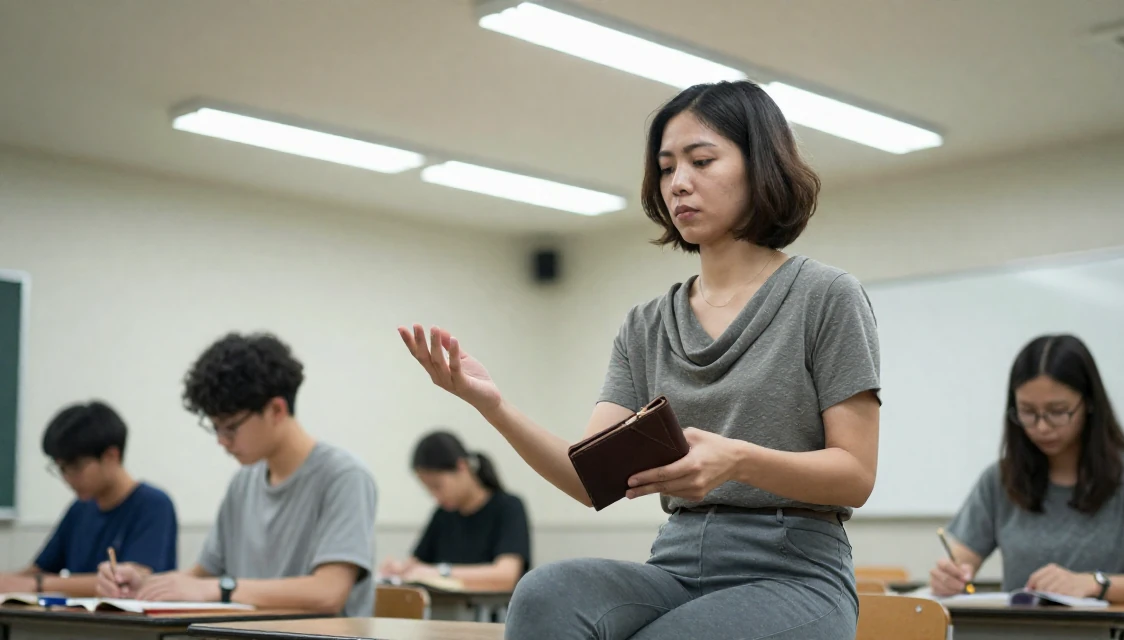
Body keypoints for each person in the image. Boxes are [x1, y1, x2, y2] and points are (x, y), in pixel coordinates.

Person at [398, 80, 880, 640]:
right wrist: (494, 406)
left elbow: (856, 476)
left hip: (796, 572)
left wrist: (737, 461)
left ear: (760, 165)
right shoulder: (646, 324)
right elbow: (589, 479)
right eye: (667, 167)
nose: (679, 183)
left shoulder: (826, 296)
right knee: (544, 594)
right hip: (675, 566)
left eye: (702, 160)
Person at [96, 332, 379, 616]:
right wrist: (145, 585)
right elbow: (202, 577)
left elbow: (328, 592)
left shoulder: (344, 477)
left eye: (230, 427)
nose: (222, 440)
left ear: (276, 410)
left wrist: (223, 588)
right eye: (215, 428)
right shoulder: (244, 482)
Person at [931, 334, 1124, 604]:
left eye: (1057, 411)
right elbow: (960, 563)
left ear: (1088, 403)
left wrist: (1091, 583)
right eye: (1028, 412)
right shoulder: (1000, 479)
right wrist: (948, 578)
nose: (1042, 426)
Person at [0, 401, 177, 596]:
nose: (67, 478)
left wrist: (39, 585)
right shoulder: (80, 509)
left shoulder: (154, 505)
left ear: (111, 456)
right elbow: (38, 572)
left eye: (75, 466)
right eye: (61, 469)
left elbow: (134, 580)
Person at [379, 430, 530, 592]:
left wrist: (441, 572)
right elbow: (418, 564)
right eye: (429, 490)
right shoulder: (442, 515)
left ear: (461, 467)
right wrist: (401, 570)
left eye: (437, 486)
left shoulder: (508, 508)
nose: (436, 496)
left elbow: (506, 577)